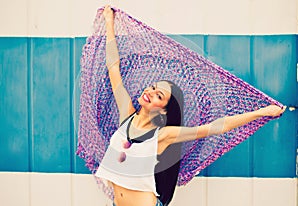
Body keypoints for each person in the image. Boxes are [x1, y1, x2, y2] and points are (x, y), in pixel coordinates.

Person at [95, 5, 286, 206]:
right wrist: (109, 23)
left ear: (163, 110)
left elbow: (215, 128)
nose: (149, 92)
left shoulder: (163, 136)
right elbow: (113, 68)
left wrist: (262, 112)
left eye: (158, 95)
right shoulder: (127, 116)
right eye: (151, 87)